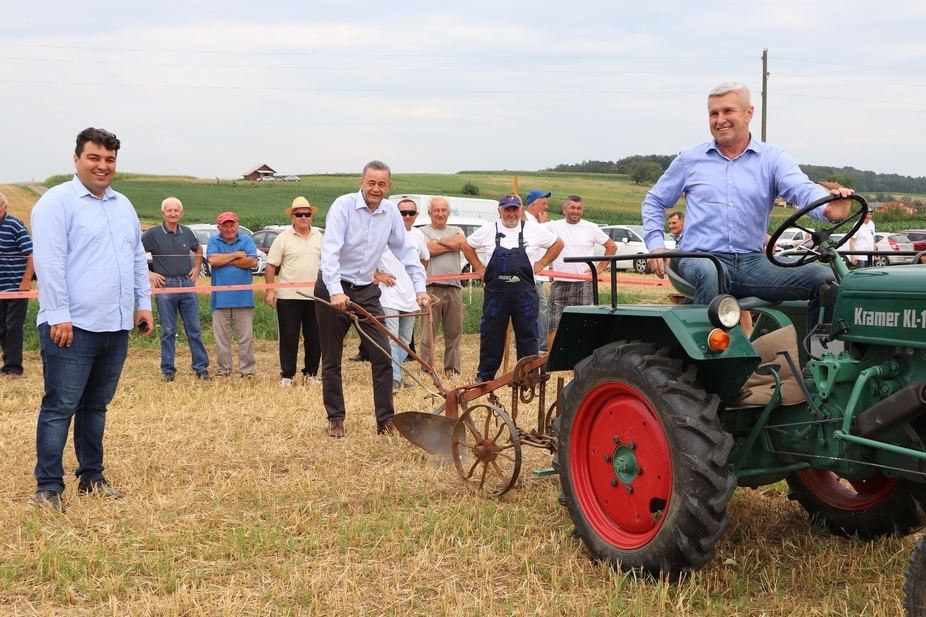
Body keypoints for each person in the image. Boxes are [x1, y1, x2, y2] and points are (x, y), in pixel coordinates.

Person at [642, 82, 854, 331]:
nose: (720, 120)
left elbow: (802, 188)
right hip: (700, 256)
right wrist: (656, 246)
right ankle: (705, 359)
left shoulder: (772, 159)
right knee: (711, 271)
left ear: (749, 113)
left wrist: (828, 207)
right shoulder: (690, 160)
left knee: (826, 281)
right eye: (713, 113)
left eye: (728, 111)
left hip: (752, 263)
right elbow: (655, 200)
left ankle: (819, 358)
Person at [31, 127, 154, 513]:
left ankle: (91, 477)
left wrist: (143, 304)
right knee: (60, 405)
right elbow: (49, 264)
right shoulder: (57, 202)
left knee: (96, 406)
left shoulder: (123, 206)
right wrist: (60, 315)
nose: (103, 166)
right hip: (71, 325)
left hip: (114, 325)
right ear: (76, 159)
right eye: (94, 158)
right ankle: (49, 486)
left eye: (110, 159)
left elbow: (137, 258)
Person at [315, 161, 429, 438]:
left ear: (389, 186)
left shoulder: (390, 212)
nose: (375, 188)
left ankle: (385, 420)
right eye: (371, 183)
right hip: (334, 286)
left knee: (383, 355)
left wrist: (420, 288)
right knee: (332, 358)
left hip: (366, 291)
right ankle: (336, 418)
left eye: (381, 184)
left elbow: (407, 252)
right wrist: (334, 291)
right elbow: (329, 252)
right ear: (361, 182)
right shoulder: (343, 206)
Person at [462, 195, 563, 383]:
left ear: (520, 210)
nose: (511, 213)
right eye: (507, 209)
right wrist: (479, 267)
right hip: (496, 294)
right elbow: (466, 245)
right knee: (492, 336)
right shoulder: (488, 229)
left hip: (524, 293)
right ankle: (485, 377)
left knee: (527, 336)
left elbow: (558, 244)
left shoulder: (533, 229)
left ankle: (529, 376)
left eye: (514, 209)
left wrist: (541, 264)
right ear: (500, 210)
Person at [141, 197, 211, 382]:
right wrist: (150, 274)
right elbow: (134, 254)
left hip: (187, 284)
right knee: (168, 330)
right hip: (166, 286)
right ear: (162, 213)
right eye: (169, 210)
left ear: (182, 213)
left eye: (176, 210)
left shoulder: (188, 233)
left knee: (194, 329)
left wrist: (196, 268)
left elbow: (198, 251)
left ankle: (201, 368)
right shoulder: (152, 234)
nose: (173, 213)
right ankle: (168, 371)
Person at [264, 197, 323, 387]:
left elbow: (329, 265)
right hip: (289, 297)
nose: (304, 217)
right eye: (299, 214)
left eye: (308, 214)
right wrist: (270, 291)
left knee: (315, 337)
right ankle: (287, 375)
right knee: (289, 337)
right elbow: (271, 266)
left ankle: (311, 373)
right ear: (292, 216)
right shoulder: (282, 238)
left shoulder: (320, 236)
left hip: (315, 296)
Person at [545, 195, 616, 351]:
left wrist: (599, 268)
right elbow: (532, 230)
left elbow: (611, 247)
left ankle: (583, 358)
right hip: (560, 282)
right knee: (554, 324)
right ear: (564, 209)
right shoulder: (553, 226)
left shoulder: (591, 228)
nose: (575, 211)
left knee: (585, 323)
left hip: (584, 284)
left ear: (582, 210)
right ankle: (551, 360)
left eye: (579, 208)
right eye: (572, 208)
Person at [376, 199, 429, 391]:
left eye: (411, 213)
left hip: (411, 297)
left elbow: (424, 258)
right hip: (389, 295)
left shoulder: (418, 235)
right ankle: (394, 379)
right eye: (403, 213)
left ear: (416, 215)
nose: (407, 216)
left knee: (405, 342)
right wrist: (378, 275)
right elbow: (365, 259)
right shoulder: (384, 233)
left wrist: (417, 283)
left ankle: (389, 374)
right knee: (391, 340)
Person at [419, 196, 466, 377]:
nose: (440, 214)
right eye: (436, 210)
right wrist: (448, 242)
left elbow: (461, 243)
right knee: (427, 332)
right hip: (431, 288)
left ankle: (452, 368)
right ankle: (427, 368)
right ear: (429, 212)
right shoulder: (421, 231)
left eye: (443, 210)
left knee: (454, 332)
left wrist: (437, 241)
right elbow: (427, 250)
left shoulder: (457, 230)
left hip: (454, 288)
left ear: (448, 212)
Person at [207, 212, 258, 378]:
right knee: (222, 339)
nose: (229, 229)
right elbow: (213, 261)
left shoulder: (247, 240)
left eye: (232, 225)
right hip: (219, 299)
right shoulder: (213, 241)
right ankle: (224, 370)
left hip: (243, 297)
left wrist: (225, 260)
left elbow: (252, 262)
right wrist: (237, 255)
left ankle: (247, 370)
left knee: (245, 338)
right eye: (225, 226)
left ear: (237, 225)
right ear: (219, 227)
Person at [0, 191, 34, 379]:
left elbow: (31, 253)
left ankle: (14, 368)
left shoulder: (14, 225)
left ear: (4, 207)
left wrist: (26, 281)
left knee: (13, 327)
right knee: (2, 327)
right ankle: (8, 362)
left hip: (16, 287)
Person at [524, 190, 552, 351]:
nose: (546, 206)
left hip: (538, 274)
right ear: (533, 204)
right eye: (544, 203)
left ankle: (534, 342)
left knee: (533, 309)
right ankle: (542, 344)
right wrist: (543, 226)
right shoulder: (529, 222)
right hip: (531, 275)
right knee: (541, 307)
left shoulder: (534, 221)